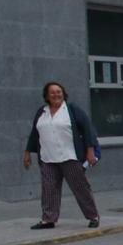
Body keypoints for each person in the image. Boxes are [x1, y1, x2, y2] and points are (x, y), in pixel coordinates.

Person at [21, 81, 100, 230]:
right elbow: (34, 134)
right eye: (52, 92)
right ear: (46, 96)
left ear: (63, 94)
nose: (56, 95)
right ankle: (48, 219)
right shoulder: (41, 112)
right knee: (49, 189)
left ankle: (93, 216)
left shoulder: (72, 110)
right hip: (48, 158)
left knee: (80, 188)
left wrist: (90, 152)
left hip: (70, 157)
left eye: (59, 92)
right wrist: (27, 153)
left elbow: (88, 130)